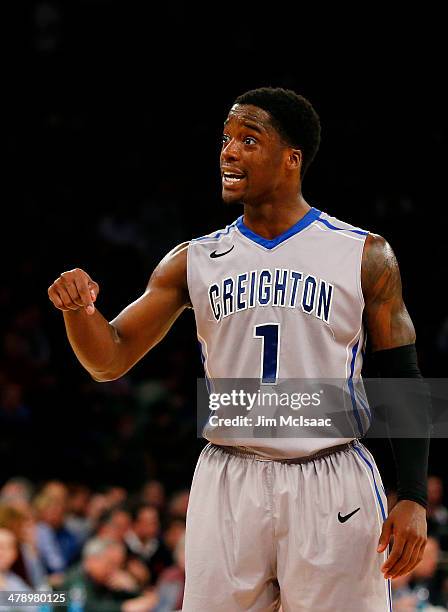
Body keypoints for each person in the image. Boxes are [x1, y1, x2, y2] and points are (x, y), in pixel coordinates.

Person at [48, 87, 430, 611]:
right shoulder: (193, 259)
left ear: (292, 159)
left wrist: (412, 492)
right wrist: (80, 313)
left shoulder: (364, 254)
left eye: (248, 140)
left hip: (331, 474)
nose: (228, 152)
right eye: (226, 139)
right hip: (229, 476)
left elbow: (401, 376)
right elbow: (108, 359)